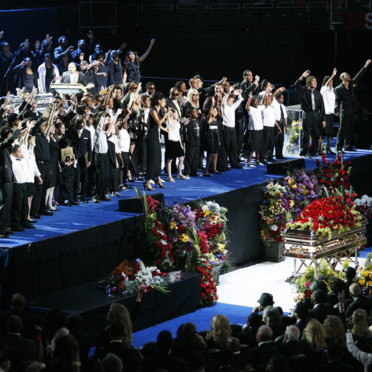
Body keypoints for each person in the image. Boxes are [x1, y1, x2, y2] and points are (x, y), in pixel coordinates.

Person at [335, 59, 371, 152]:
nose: (349, 75)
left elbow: (358, 75)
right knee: (342, 129)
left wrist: (365, 65)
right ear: (343, 78)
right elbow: (337, 100)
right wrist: (337, 110)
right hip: (344, 111)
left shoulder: (351, 84)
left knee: (350, 128)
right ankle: (339, 147)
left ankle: (348, 146)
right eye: (347, 75)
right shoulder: (338, 89)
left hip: (352, 109)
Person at [294, 69, 326, 157]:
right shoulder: (303, 91)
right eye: (313, 81)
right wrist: (302, 77)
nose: (315, 83)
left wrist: (323, 119)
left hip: (316, 115)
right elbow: (296, 85)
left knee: (316, 134)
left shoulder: (318, 94)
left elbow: (322, 108)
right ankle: (304, 152)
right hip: (307, 114)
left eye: (316, 81)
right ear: (309, 82)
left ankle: (313, 151)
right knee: (306, 134)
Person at [0, 123, 23, 238]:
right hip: (3, 177)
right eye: (10, 134)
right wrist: (17, 131)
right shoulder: (1, 144)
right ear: (7, 135)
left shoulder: (6, 146)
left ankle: (5, 226)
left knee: (8, 204)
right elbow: (9, 141)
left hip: (9, 176)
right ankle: (1, 229)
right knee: (4, 204)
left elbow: (13, 141)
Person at [144, 92, 170, 191]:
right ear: (159, 101)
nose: (165, 103)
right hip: (150, 137)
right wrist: (166, 114)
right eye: (163, 101)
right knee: (152, 159)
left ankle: (158, 178)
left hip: (156, 136)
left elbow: (159, 125)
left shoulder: (159, 110)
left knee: (158, 158)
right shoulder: (153, 110)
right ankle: (147, 181)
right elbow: (158, 122)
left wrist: (165, 129)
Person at [221, 89, 243, 169]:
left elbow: (240, 100)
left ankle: (234, 164)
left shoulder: (232, 107)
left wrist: (239, 94)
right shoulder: (224, 107)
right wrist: (229, 92)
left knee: (233, 147)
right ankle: (224, 165)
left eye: (232, 101)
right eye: (230, 101)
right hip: (226, 129)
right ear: (227, 101)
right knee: (226, 148)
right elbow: (224, 100)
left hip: (233, 129)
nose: (232, 102)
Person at [320, 68, 337, 155]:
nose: (331, 82)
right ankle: (320, 149)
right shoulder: (324, 89)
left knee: (330, 132)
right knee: (323, 132)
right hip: (325, 113)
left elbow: (333, 102)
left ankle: (329, 148)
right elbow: (326, 84)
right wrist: (333, 75)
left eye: (332, 81)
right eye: (330, 81)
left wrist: (335, 111)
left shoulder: (332, 90)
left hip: (331, 114)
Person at [165, 111, 186, 182]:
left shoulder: (178, 123)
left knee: (181, 159)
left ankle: (179, 173)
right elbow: (167, 116)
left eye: (177, 113)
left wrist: (180, 144)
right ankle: (169, 176)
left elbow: (178, 134)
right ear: (172, 114)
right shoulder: (169, 122)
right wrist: (168, 111)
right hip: (171, 142)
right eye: (176, 113)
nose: (177, 115)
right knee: (170, 160)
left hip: (177, 142)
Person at [245, 93, 264, 167]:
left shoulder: (259, 107)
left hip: (260, 129)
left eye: (257, 101)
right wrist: (249, 98)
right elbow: (246, 107)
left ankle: (257, 160)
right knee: (252, 146)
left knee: (259, 146)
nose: (256, 103)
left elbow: (265, 104)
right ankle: (249, 162)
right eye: (255, 101)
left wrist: (266, 93)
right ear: (252, 102)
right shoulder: (251, 108)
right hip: (253, 130)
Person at [204, 100, 221, 176]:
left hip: (216, 138)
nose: (215, 112)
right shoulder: (209, 119)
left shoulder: (217, 120)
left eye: (216, 111)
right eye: (213, 111)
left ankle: (214, 168)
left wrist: (219, 140)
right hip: (210, 139)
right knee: (211, 154)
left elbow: (217, 132)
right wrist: (213, 104)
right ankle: (206, 170)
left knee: (216, 153)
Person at [183, 108, 201, 178]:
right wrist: (184, 125)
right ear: (190, 114)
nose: (196, 113)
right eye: (194, 112)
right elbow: (183, 131)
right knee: (189, 157)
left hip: (198, 142)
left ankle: (194, 171)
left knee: (196, 157)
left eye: (196, 111)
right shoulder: (188, 122)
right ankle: (187, 171)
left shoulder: (198, 121)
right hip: (190, 142)